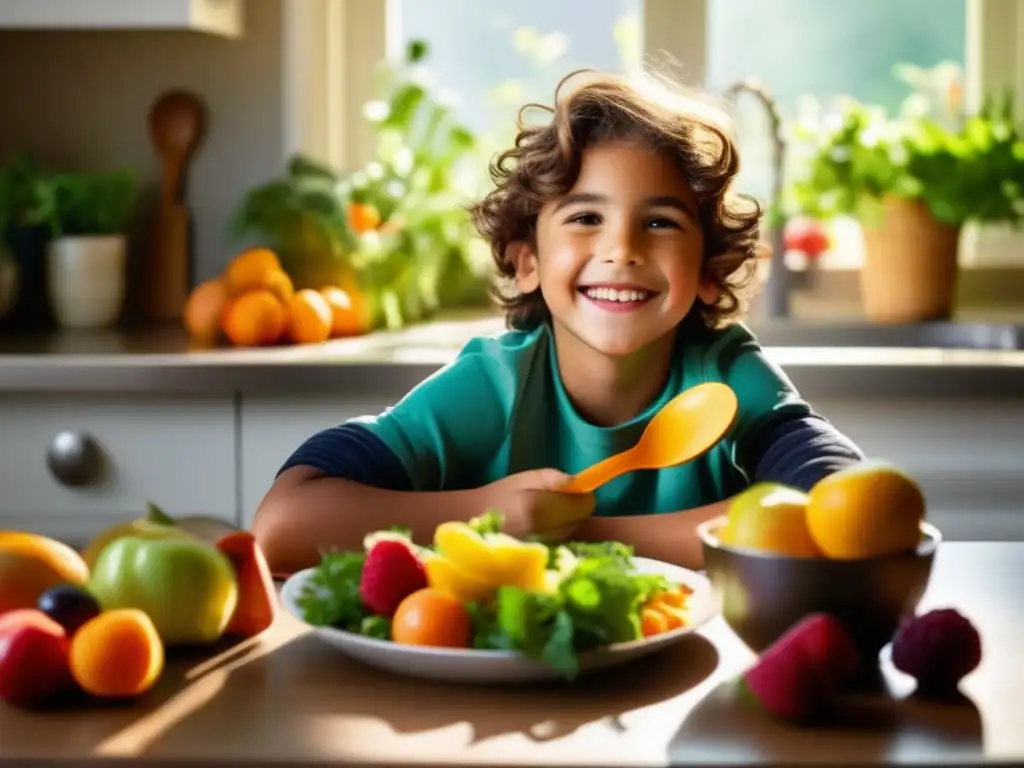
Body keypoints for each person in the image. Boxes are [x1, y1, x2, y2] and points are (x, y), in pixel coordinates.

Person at [252, 69, 864, 575]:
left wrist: (580, 536)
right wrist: (484, 514)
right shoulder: (493, 388)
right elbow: (283, 525)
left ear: (707, 269)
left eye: (659, 222)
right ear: (527, 262)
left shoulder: (725, 378)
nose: (622, 248)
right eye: (584, 219)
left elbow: (837, 510)